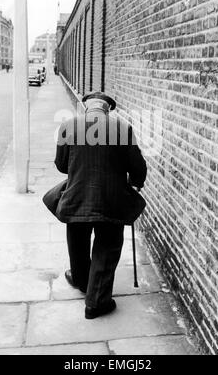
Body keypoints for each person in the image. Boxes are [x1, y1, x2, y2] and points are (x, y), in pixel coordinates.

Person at [55, 91, 147, 319]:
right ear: (108, 109)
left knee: (77, 240)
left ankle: (81, 280)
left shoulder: (68, 126)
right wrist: (135, 183)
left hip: (77, 196)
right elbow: (137, 167)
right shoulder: (122, 128)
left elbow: (61, 164)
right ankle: (96, 302)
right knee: (107, 246)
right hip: (111, 198)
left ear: (86, 107)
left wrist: (79, 170)